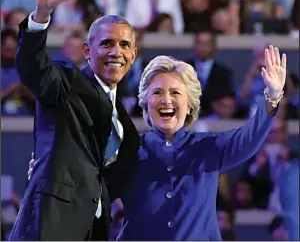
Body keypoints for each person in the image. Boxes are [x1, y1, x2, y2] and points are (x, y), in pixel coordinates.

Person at [29, 46, 287, 240]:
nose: (166, 100)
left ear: (189, 106)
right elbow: (89, 191)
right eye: (157, 93)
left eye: (175, 93)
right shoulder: (126, 149)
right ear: (145, 103)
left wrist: (272, 97)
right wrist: (48, 175)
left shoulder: (208, 148)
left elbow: (249, 137)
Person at [9, 0, 140, 241]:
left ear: (133, 55)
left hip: (93, 230)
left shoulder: (126, 124)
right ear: (87, 51)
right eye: (106, 43)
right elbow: (33, 68)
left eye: (124, 45)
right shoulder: (66, 82)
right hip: (51, 225)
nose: (115, 52)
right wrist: (41, 16)